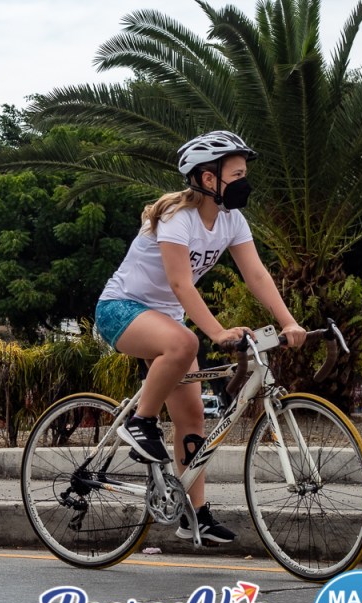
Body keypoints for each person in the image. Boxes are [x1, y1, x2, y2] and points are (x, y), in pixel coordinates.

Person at [94, 131, 307, 545]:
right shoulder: (178, 218)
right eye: (237, 175)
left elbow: (256, 274)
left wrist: (289, 323)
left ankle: (195, 514)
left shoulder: (232, 220)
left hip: (167, 321)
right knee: (186, 343)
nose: (245, 182)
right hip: (121, 308)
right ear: (209, 179)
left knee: (192, 417)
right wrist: (217, 331)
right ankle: (140, 423)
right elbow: (180, 283)